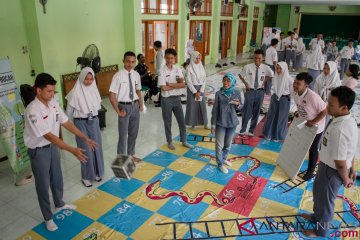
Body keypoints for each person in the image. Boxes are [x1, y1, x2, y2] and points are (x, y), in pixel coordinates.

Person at [24, 73, 97, 231]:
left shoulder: (53, 103)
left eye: (53, 91)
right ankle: (48, 217)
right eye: (49, 91)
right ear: (38, 90)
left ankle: (59, 204)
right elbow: (48, 135)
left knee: (57, 177)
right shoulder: (32, 110)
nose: (52, 94)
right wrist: (72, 150)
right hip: (39, 151)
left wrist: (85, 137)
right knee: (43, 185)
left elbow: (66, 123)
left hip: (53, 147)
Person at [301, 86, 358, 238]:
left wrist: (346, 179)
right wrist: (353, 168)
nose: (327, 107)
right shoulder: (344, 119)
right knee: (318, 195)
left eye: (331, 104)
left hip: (332, 171)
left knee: (326, 203)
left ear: (344, 107)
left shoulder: (340, 129)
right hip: (326, 166)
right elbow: (350, 150)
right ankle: (316, 217)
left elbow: (340, 162)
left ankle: (321, 231)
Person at [66, 67, 104, 188]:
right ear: (81, 78)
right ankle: (86, 176)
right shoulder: (74, 93)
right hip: (81, 123)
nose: (88, 82)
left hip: (94, 122)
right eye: (86, 79)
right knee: (85, 149)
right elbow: (69, 112)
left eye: (91, 79)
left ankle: (98, 172)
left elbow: (97, 106)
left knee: (96, 147)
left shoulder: (94, 90)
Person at [109, 51, 143, 162]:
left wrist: (141, 105)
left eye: (133, 62)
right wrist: (118, 111)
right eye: (128, 61)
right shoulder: (118, 76)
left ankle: (131, 155)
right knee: (123, 135)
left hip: (135, 106)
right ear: (123, 61)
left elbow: (138, 90)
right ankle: (121, 159)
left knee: (133, 133)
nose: (130, 64)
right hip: (124, 106)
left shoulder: (136, 74)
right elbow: (112, 95)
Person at [292, 72, 327, 181]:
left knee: (312, 149)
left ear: (306, 85)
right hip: (304, 123)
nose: (295, 85)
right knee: (301, 145)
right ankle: (294, 165)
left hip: (317, 127)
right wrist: (298, 112)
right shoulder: (295, 93)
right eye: (295, 82)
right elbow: (301, 106)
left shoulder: (313, 97)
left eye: (298, 84)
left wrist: (314, 121)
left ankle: (310, 172)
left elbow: (325, 111)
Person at [158, 48, 193, 150]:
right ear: (165, 58)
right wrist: (176, 85)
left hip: (176, 99)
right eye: (168, 58)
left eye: (172, 58)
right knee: (167, 122)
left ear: (174, 59)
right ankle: (169, 141)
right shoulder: (161, 71)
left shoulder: (177, 69)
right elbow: (163, 88)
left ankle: (184, 141)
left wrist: (170, 84)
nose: (170, 60)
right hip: (166, 100)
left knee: (181, 121)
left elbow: (183, 84)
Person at [238, 49, 274, 136]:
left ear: (263, 58)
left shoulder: (266, 68)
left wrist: (265, 80)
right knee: (247, 111)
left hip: (260, 92)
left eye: (259, 58)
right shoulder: (248, 67)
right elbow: (240, 75)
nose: (257, 60)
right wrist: (246, 83)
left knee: (256, 111)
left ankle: (251, 130)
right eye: (255, 58)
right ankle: (243, 129)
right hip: (249, 91)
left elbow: (271, 75)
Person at [211, 73, 241, 174]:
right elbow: (215, 110)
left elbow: (241, 107)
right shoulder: (219, 93)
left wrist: (238, 104)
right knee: (219, 145)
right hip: (220, 122)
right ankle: (220, 164)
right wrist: (213, 124)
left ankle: (223, 159)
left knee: (228, 145)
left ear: (232, 82)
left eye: (228, 81)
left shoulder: (236, 92)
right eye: (224, 80)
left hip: (232, 122)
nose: (226, 83)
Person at [263, 62, 293, 141]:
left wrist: (287, 98)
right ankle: (268, 134)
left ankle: (278, 136)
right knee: (271, 115)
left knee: (281, 117)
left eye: (280, 68)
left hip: (284, 99)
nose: (278, 70)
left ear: (284, 69)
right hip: (275, 98)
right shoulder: (275, 77)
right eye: (277, 68)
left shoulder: (289, 79)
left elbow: (291, 91)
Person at [185, 51, 208, 129]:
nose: (198, 60)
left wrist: (200, 91)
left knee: (202, 106)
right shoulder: (189, 68)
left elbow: (205, 79)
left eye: (199, 58)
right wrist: (195, 92)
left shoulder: (201, 67)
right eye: (196, 58)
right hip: (192, 89)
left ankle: (205, 124)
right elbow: (188, 81)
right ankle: (193, 124)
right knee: (193, 106)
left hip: (201, 89)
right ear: (193, 58)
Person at [154, 40, 165, 107]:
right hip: (161, 71)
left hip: (160, 72)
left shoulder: (159, 52)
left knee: (160, 88)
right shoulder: (162, 51)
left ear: (156, 46)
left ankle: (161, 102)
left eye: (154, 46)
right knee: (161, 88)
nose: (154, 48)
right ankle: (159, 101)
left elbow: (159, 64)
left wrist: (157, 74)